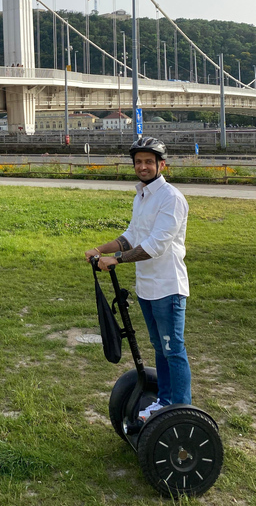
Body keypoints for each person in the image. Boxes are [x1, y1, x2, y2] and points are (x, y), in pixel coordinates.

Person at [85, 137, 191, 421]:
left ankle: (180, 410)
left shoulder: (172, 199)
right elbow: (131, 236)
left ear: (161, 165)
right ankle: (165, 401)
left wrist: (117, 260)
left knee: (173, 349)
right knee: (159, 348)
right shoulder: (141, 196)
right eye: (138, 162)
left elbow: (156, 245)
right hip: (147, 287)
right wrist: (101, 249)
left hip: (168, 286)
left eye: (148, 162)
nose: (142, 166)